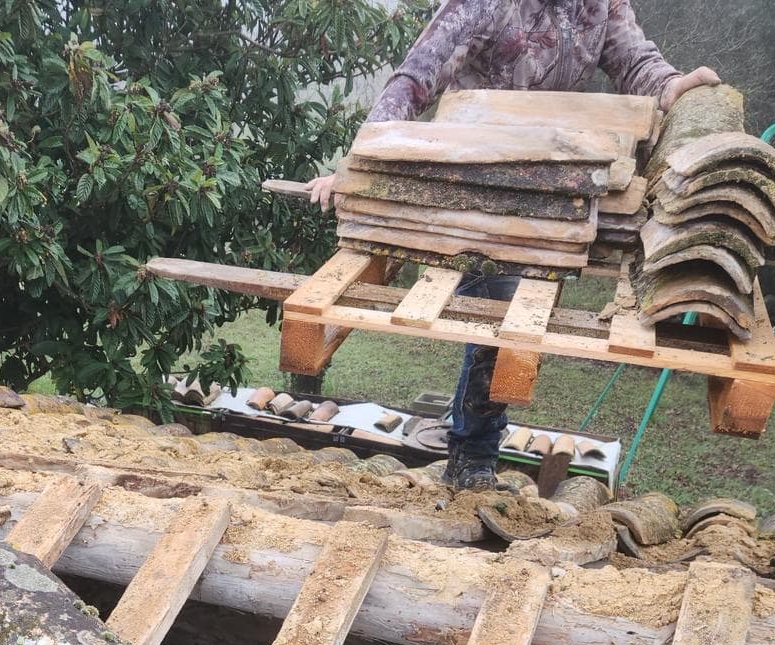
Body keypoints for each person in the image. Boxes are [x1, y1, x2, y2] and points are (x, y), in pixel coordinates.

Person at [306, 1, 720, 491]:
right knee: (500, 319)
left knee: (520, 323)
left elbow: (635, 61)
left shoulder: (601, 4)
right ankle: (473, 459)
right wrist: (362, 165)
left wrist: (670, 84)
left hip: (551, 193)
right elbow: (416, 78)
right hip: (470, 189)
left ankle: (473, 453)